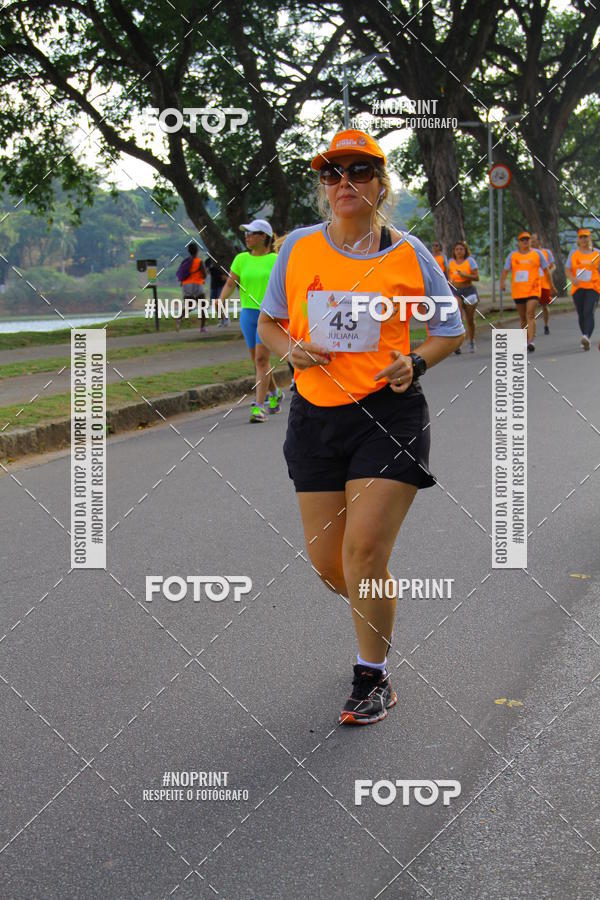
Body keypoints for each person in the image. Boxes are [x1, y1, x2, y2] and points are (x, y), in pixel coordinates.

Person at [257, 129, 464, 726]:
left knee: (364, 552)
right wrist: (290, 347)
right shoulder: (296, 248)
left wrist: (418, 360)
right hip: (315, 417)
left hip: (388, 413)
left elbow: (448, 327)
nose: (343, 183)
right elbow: (270, 322)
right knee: (331, 565)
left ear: (381, 182)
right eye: (331, 173)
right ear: (322, 187)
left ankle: (371, 676)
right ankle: (376, 614)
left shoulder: (408, 253)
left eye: (358, 171)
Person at [218, 219, 284, 421]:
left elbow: (286, 285)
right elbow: (231, 283)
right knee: (257, 363)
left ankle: (259, 407)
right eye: (245, 233)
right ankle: (275, 394)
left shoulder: (276, 259)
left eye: (251, 233)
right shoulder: (241, 259)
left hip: (269, 315)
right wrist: (220, 301)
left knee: (261, 360)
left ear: (263, 236)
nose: (247, 236)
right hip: (247, 314)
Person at [500, 231, 548, 352]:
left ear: (530, 241)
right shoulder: (513, 255)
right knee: (522, 318)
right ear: (518, 242)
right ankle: (525, 340)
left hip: (533, 290)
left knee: (530, 314)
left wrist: (551, 285)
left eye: (527, 239)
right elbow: (505, 271)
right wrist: (502, 282)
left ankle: (531, 341)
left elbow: (546, 270)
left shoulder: (537, 254)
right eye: (523, 240)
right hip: (518, 291)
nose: (525, 241)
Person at [564, 228, 600, 351]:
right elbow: (567, 269)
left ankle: (586, 336)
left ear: (590, 238)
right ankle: (585, 335)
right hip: (578, 287)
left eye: (586, 237)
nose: (584, 239)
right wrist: (572, 278)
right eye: (581, 237)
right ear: (578, 240)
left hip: (593, 287)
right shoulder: (573, 254)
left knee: (588, 311)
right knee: (581, 313)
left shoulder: (597, 253)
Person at [448, 240, 479, 352]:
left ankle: (471, 341)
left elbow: (477, 277)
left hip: (469, 290)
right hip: (456, 291)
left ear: (465, 250)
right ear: (454, 251)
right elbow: (449, 275)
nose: (459, 251)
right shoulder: (451, 261)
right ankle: (458, 344)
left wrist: (464, 275)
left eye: (461, 249)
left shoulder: (470, 261)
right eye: (457, 249)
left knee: (469, 319)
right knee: (458, 317)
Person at [176, 241, 208, 333]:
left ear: (189, 251)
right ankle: (202, 328)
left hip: (186, 285)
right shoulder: (199, 261)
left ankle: (179, 318)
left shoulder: (185, 262)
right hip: (197, 285)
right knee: (203, 307)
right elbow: (204, 275)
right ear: (197, 251)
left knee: (189, 306)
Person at [530, 233, 557, 335]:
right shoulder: (529, 253)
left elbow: (553, 265)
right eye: (531, 239)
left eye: (534, 239)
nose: (532, 241)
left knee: (544, 306)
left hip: (544, 284)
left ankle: (546, 325)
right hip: (532, 284)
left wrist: (550, 272)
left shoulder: (546, 252)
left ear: (539, 241)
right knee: (532, 307)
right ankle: (533, 328)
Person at [205, 255, 229, 327]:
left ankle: (226, 318)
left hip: (222, 284)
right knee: (215, 303)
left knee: (221, 302)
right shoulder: (208, 261)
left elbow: (228, 269)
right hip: (213, 285)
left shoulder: (221, 259)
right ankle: (221, 319)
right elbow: (206, 272)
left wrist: (226, 276)